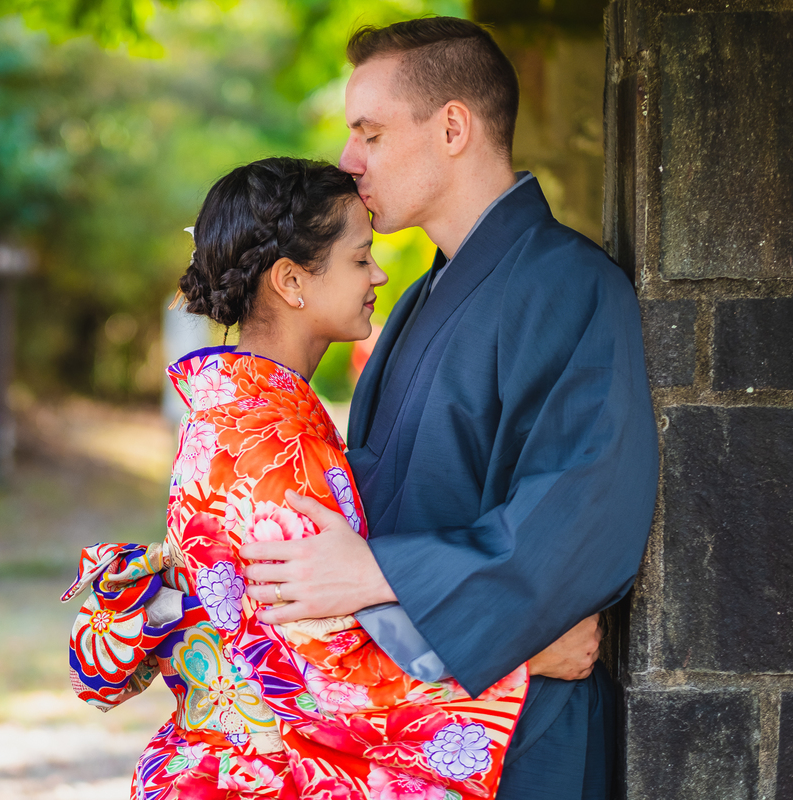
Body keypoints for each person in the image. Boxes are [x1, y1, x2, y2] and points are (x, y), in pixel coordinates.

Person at [239, 18, 659, 800]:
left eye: (369, 132)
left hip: (526, 735)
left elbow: (575, 522)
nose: (348, 159)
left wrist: (376, 570)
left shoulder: (571, 287)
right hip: (420, 718)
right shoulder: (417, 300)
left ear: (454, 126)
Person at [65, 157, 535, 799]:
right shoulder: (270, 443)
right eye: (360, 257)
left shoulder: (244, 414)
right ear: (292, 280)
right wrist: (517, 662)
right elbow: (319, 668)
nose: (380, 273)